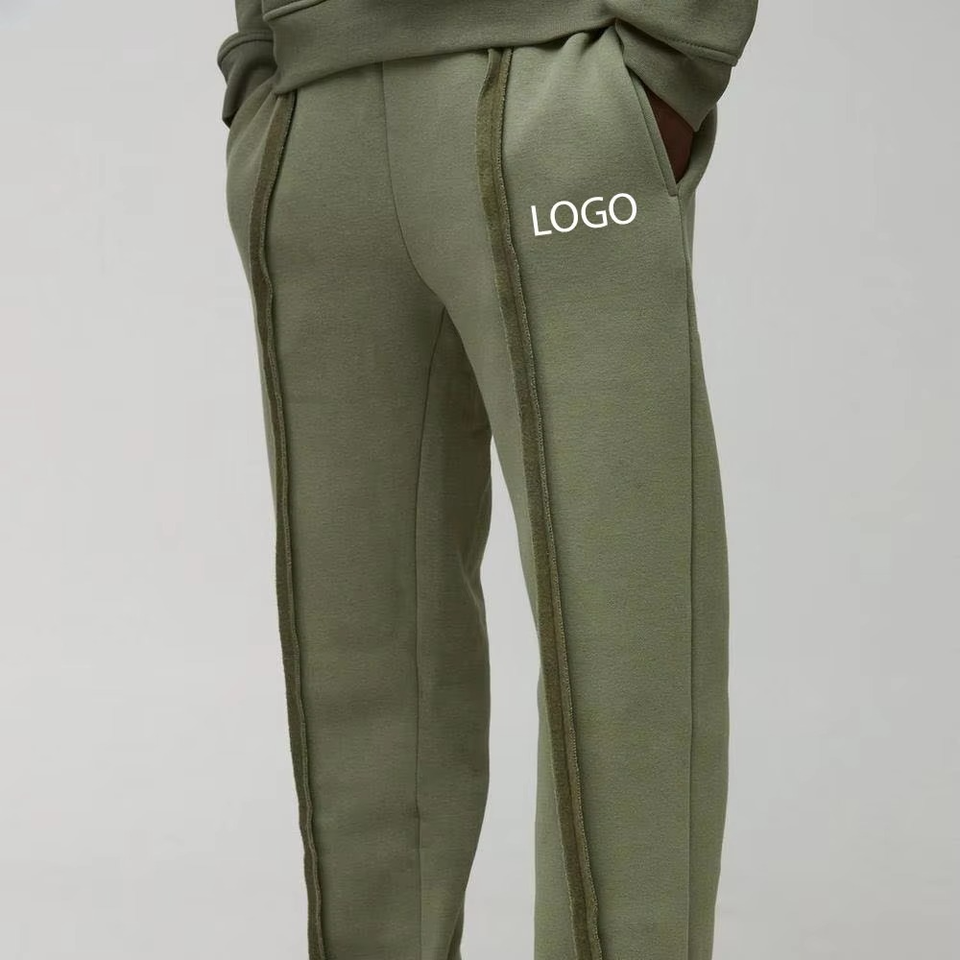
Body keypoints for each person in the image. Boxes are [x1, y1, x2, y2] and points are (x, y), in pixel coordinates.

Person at [217, 0, 757, 957]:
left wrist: (675, 54)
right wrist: (261, 59)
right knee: (357, 642)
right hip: (314, 106)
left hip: (554, 90)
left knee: (624, 628)